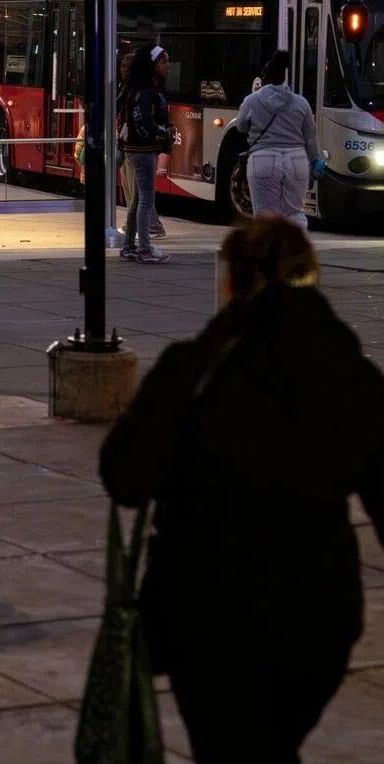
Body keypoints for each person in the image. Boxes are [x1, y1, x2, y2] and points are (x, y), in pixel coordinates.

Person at [100, 217, 384, 763]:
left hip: (205, 612)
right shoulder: (351, 377)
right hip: (317, 611)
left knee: (229, 744)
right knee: (272, 745)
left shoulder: (193, 369)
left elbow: (126, 476)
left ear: (231, 281)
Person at [236, 49, 324, 230]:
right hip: (296, 161)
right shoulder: (301, 103)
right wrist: (315, 161)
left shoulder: (251, 101)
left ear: (264, 77)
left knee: (264, 215)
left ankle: (268, 256)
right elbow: (311, 137)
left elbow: (241, 127)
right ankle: (296, 254)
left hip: (263, 159)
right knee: (295, 213)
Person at [120, 44, 173, 264]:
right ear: (152, 65)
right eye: (163, 62)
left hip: (138, 149)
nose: (168, 67)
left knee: (138, 200)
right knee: (146, 199)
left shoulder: (139, 89)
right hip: (144, 150)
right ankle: (144, 247)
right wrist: (162, 133)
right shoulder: (147, 92)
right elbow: (143, 122)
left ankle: (130, 245)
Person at [116, 49, 163, 238]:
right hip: (136, 145)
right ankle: (138, 226)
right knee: (137, 190)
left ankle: (145, 228)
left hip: (133, 145)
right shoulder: (142, 89)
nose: (122, 71)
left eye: (125, 68)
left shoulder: (133, 91)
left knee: (136, 189)